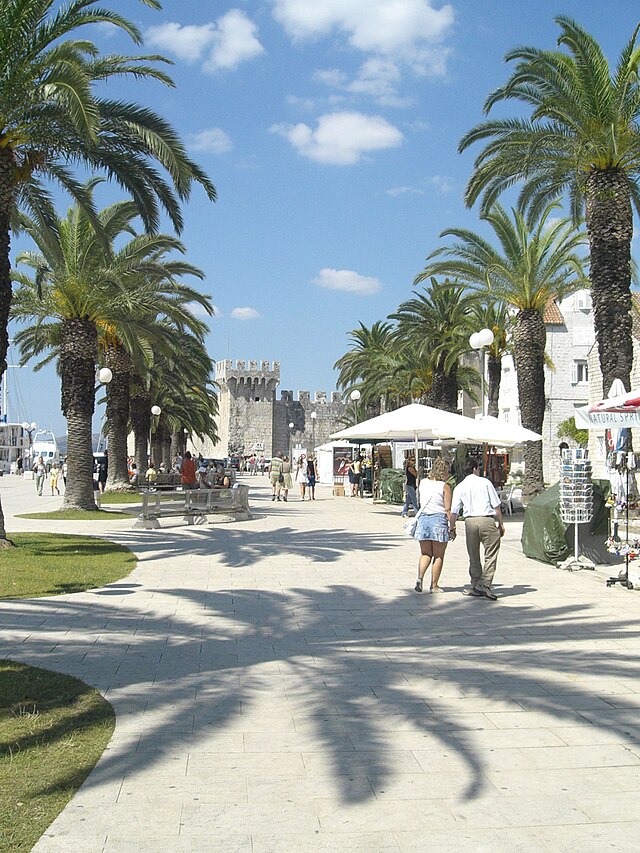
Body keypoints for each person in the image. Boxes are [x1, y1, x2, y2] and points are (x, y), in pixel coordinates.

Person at [449, 457, 505, 601]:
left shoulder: (460, 486)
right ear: (475, 469)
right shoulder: (485, 482)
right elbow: (496, 505)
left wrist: (452, 527)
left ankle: (475, 583)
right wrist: (501, 523)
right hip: (486, 519)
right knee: (491, 553)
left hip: (470, 521)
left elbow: (454, 510)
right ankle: (485, 583)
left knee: (473, 555)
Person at [413, 458, 452, 594]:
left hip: (423, 519)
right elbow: (448, 509)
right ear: (445, 472)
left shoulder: (423, 483)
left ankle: (420, 578)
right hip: (438, 520)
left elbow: (419, 499)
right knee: (438, 555)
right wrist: (452, 527)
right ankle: (434, 585)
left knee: (425, 553)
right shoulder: (445, 486)